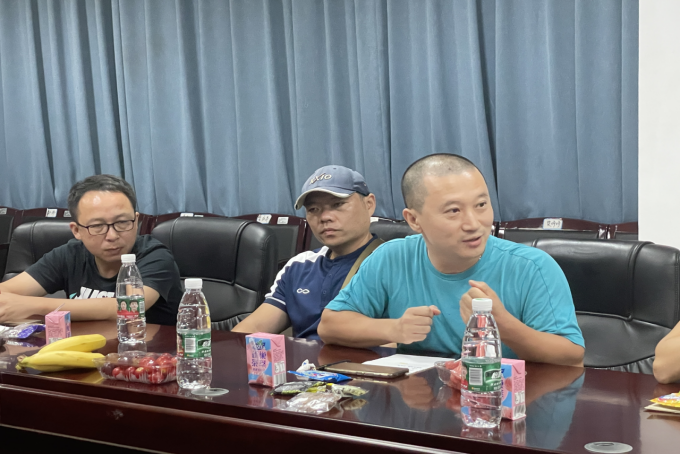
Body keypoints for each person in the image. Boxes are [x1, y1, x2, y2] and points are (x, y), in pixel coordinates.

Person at [318, 154, 585, 366]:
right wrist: (394, 328)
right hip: (422, 401)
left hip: (505, 402)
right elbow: (330, 326)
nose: (473, 224)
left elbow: (571, 355)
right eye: (454, 211)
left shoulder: (532, 266)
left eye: (481, 205)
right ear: (414, 220)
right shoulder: (391, 258)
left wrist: (503, 325)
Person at [0, 175, 182, 325]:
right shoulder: (70, 254)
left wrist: (33, 306)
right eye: (97, 226)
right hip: (82, 352)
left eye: (122, 222)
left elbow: (130, 307)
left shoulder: (155, 256)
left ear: (136, 222)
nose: (112, 235)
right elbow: (6, 292)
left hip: (147, 354)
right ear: (76, 231)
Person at [232, 165, 381, 339]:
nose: (325, 217)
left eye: (338, 204)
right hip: (301, 357)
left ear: (369, 205)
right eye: (313, 209)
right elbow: (255, 327)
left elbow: (399, 340)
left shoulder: (391, 264)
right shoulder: (300, 265)